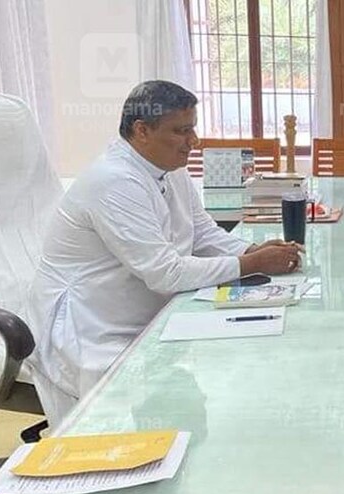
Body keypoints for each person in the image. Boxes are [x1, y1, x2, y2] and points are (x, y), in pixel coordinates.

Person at [30, 80, 301, 426]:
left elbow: (202, 233)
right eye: (181, 131)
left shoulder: (169, 170)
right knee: (119, 434)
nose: (194, 142)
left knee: (191, 400)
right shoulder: (114, 181)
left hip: (142, 316)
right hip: (90, 328)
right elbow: (165, 274)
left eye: (193, 129)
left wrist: (252, 248)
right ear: (142, 131)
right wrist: (251, 264)